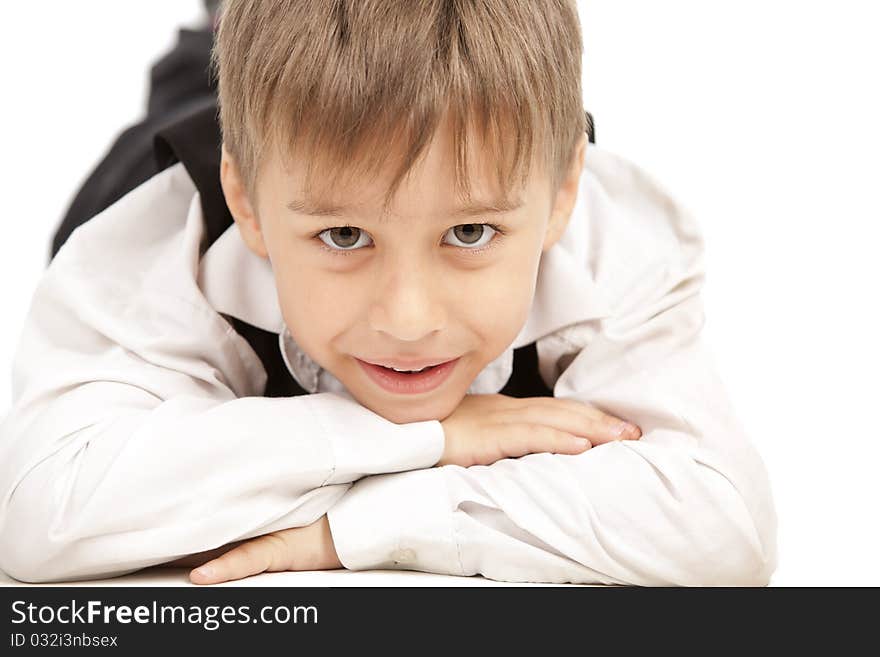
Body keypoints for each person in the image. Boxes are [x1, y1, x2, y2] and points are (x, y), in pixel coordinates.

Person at [0, 0, 778, 586]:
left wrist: (367, 527)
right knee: (219, 58)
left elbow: (725, 526)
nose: (408, 320)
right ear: (245, 199)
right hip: (189, 138)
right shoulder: (161, 252)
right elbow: (40, 518)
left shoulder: (609, 241)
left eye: (469, 233)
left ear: (564, 189)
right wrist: (437, 437)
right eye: (344, 236)